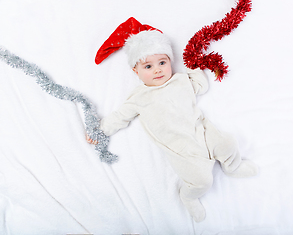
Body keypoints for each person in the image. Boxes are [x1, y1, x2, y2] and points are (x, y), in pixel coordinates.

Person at [88, 17, 258, 222]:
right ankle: (189, 197)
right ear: (136, 71)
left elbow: (201, 86)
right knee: (202, 180)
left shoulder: (180, 80)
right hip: (180, 149)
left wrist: (194, 67)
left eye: (162, 62)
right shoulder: (139, 97)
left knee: (228, 143)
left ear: (170, 61)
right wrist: (101, 130)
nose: (158, 69)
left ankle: (233, 166)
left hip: (202, 131)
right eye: (148, 67)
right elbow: (119, 117)